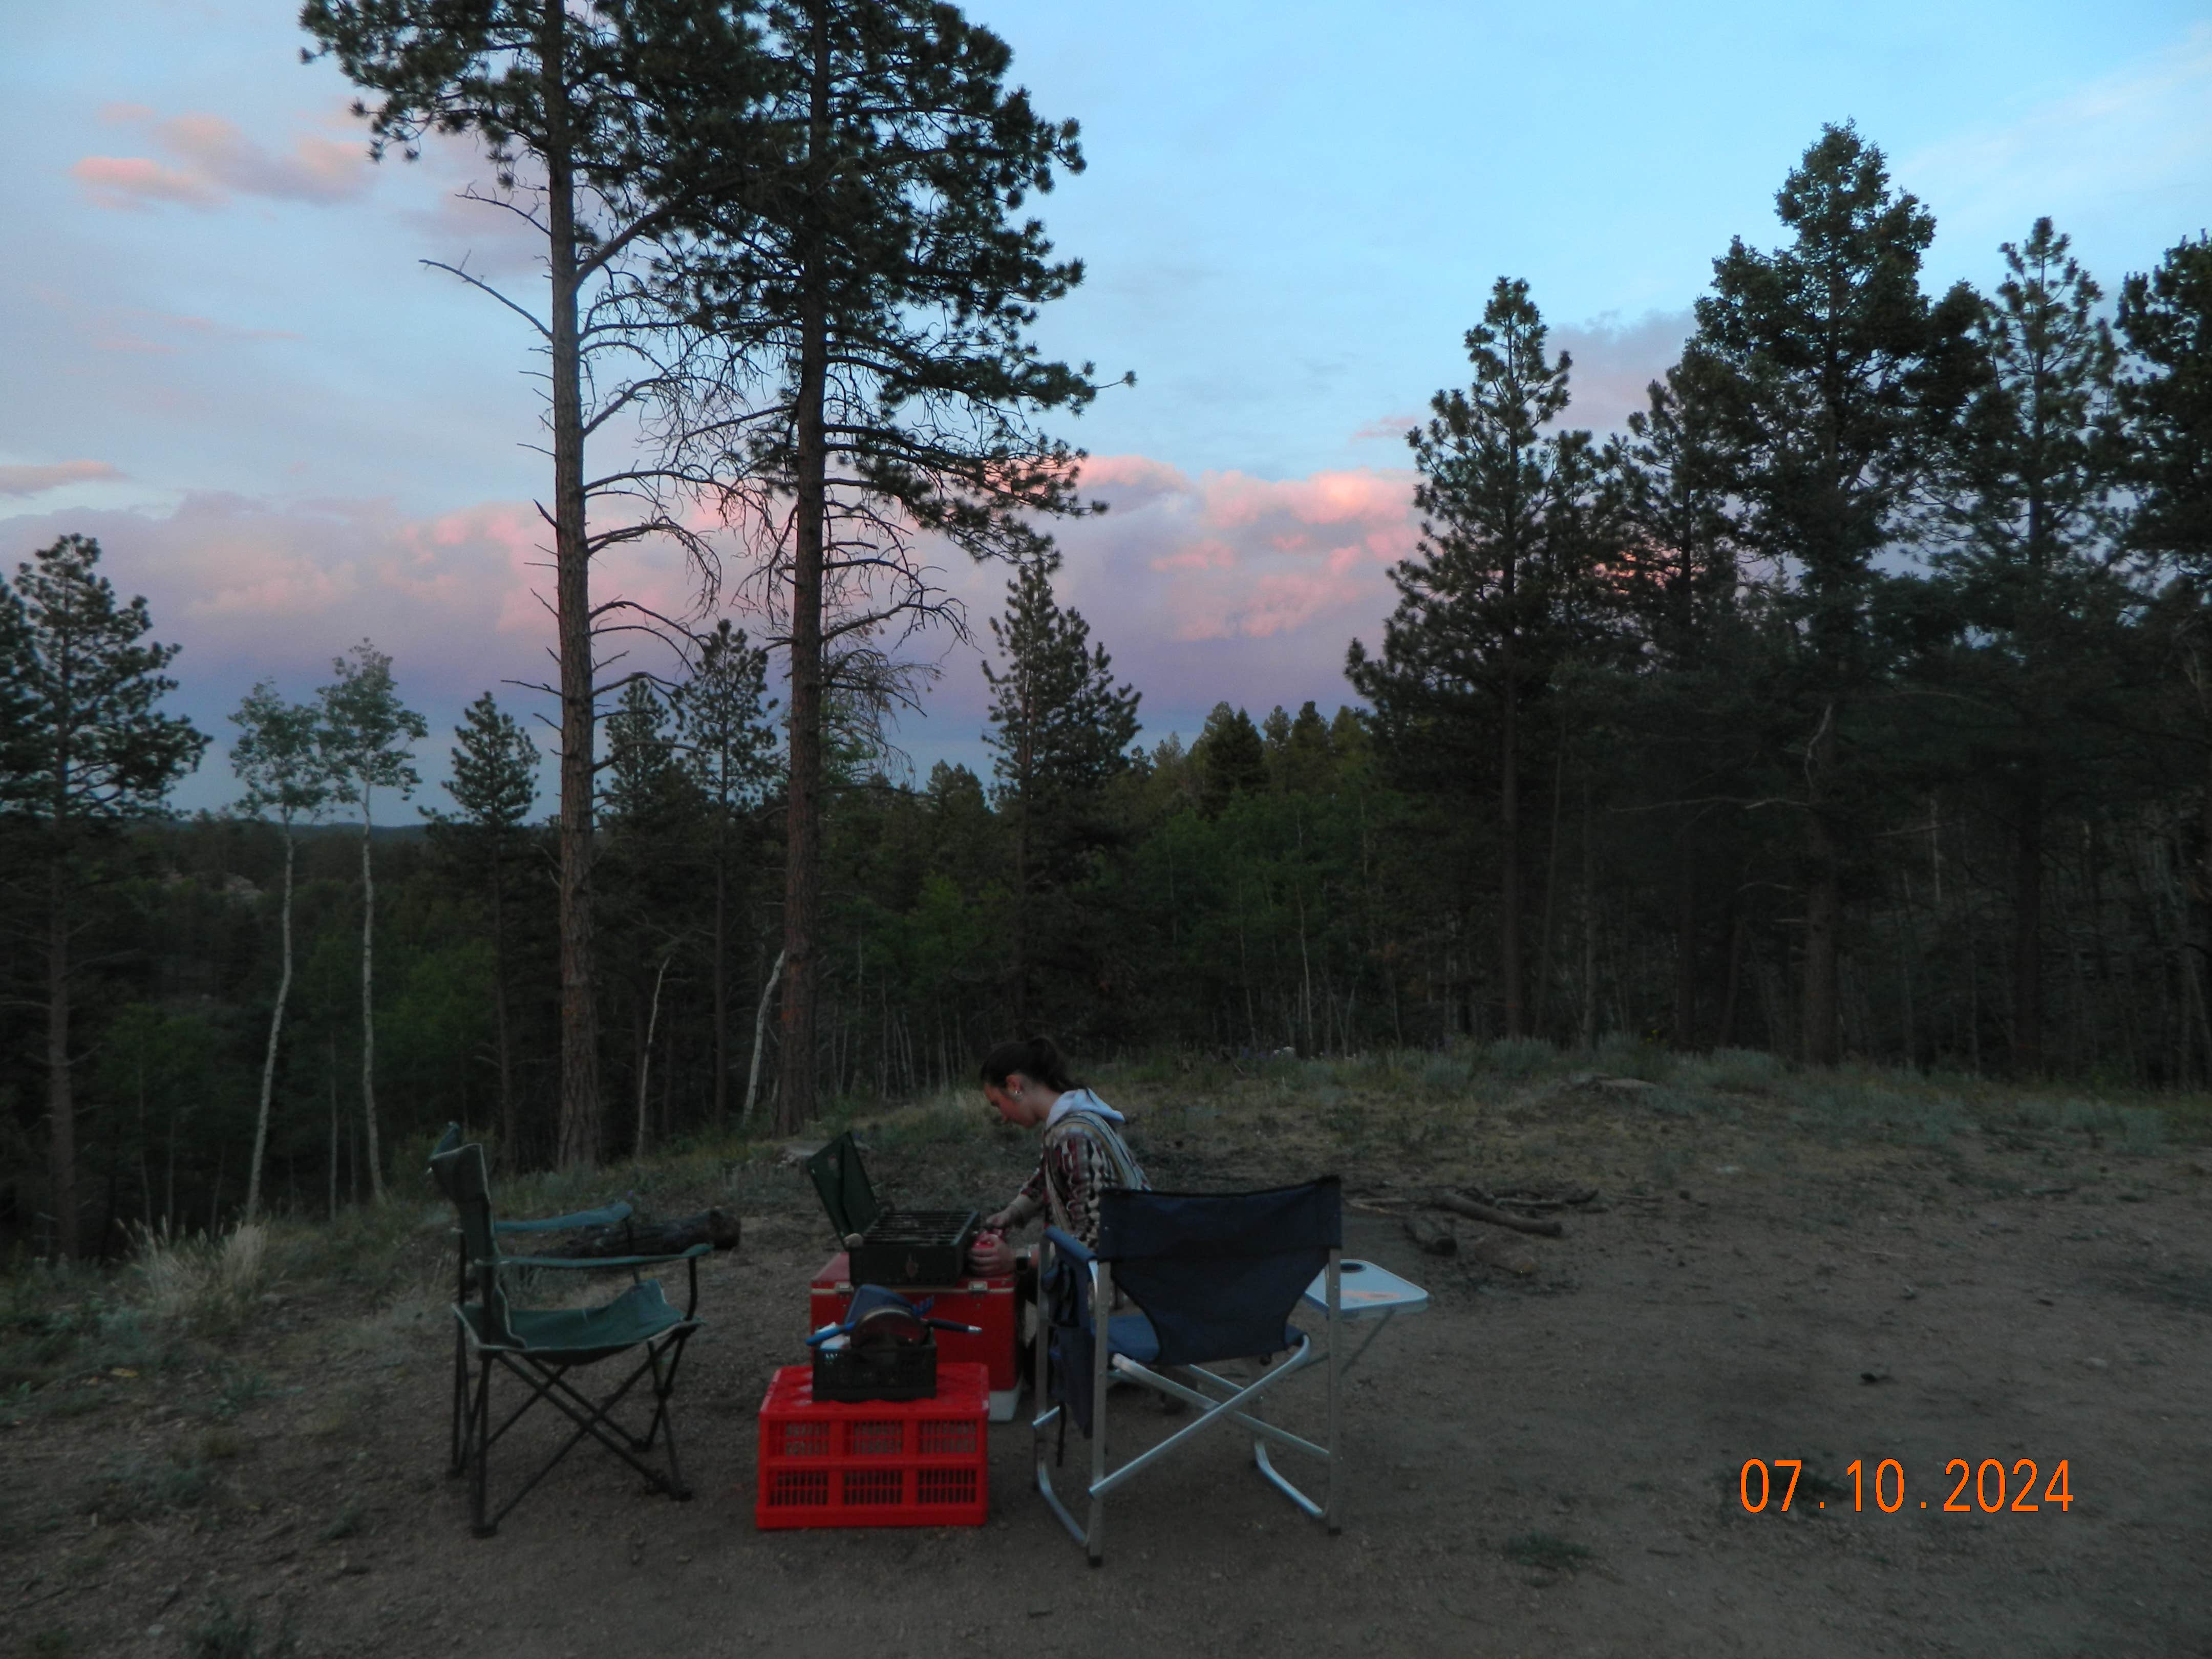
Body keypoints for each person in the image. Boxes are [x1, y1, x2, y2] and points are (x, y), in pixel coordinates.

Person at [968, 1036, 1148, 1276]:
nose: (1003, 1117)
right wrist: (1011, 1214)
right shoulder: (1070, 1122)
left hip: (1119, 1286)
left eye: (997, 1104)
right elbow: (1048, 1177)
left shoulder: (1075, 1136)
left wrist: (1017, 1259)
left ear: (1014, 1086)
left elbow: (1095, 1241)